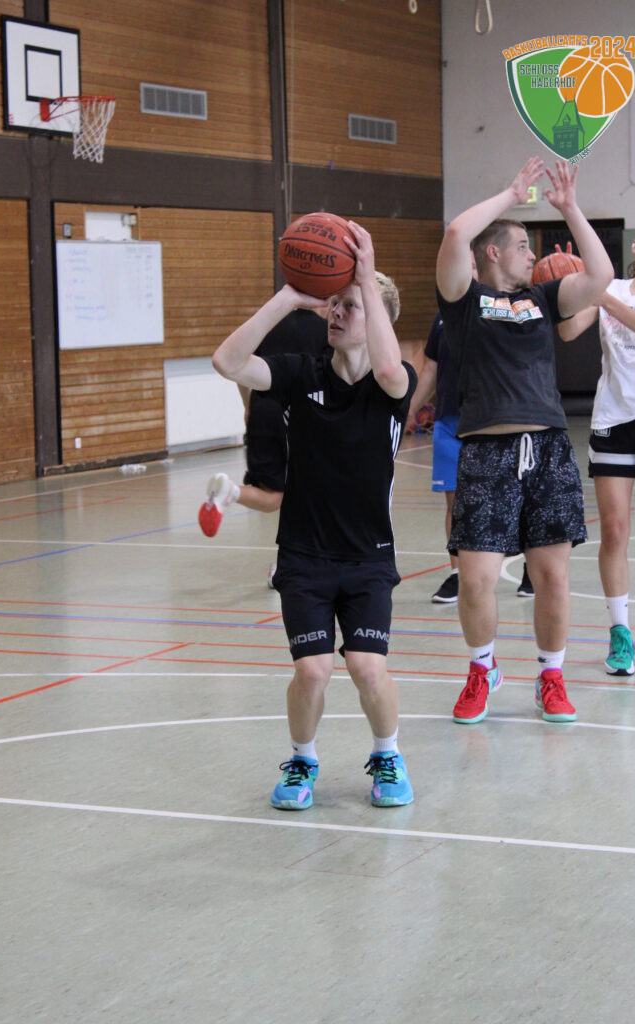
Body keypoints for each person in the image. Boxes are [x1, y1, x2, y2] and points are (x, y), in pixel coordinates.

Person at [211, 220, 416, 809]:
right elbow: (227, 361)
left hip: (368, 556)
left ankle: (388, 754)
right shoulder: (302, 373)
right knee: (313, 671)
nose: (337, 313)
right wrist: (289, 296)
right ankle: (302, 759)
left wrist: (366, 277)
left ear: (377, 320)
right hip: (304, 554)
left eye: (350, 306)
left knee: (368, 668)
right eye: (334, 304)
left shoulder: (393, 385)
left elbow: (387, 370)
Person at [435, 157, 613, 724]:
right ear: (493, 252)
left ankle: (551, 676)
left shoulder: (543, 299)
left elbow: (601, 277)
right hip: (486, 452)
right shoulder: (463, 299)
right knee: (476, 579)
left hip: (547, 449)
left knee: (552, 576)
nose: (531, 255)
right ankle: (482, 669)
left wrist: (571, 208)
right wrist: (512, 193)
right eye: (521, 246)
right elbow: (456, 232)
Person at [558, 215, 635, 675]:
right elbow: (567, 331)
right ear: (634, 245)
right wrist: (568, 283)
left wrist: (598, 291)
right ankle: (620, 634)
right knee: (615, 530)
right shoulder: (612, 289)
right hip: (612, 419)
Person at [407, 310, 534, 602]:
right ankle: (457, 574)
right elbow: (430, 368)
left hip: (494, 419)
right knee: (455, 503)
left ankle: (532, 566)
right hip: (449, 422)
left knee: (512, 498)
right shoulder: (442, 317)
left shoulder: (499, 309)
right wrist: (409, 409)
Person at [199, 309, 328, 588]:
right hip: (300, 413)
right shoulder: (326, 329)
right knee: (305, 495)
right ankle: (289, 563)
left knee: (273, 493)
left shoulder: (269, 324)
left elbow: (240, 365)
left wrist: (248, 405)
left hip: (262, 406)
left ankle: (230, 491)